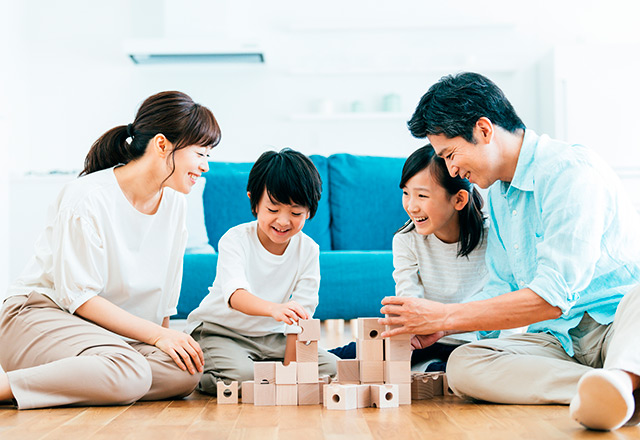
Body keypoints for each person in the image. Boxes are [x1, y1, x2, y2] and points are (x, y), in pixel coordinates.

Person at [380, 72, 640, 431]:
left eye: (450, 154)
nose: (452, 169)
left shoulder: (569, 171)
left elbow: (553, 296)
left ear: (484, 130)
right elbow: (502, 286)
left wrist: (444, 317)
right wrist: (438, 329)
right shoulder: (501, 198)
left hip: (616, 326)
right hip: (559, 341)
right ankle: (607, 388)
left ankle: (622, 379)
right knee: (463, 365)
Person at [0, 91, 221, 409]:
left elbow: (163, 302)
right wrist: (158, 339)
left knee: (184, 372)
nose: (205, 167)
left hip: (104, 336)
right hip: (38, 317)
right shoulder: (88, 197)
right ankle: (10, 386)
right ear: (162, 145)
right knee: (130, 371)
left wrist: (164, 340)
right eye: (201, 154)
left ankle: (83, 378)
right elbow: (80, 298)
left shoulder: (174, 205)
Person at [185, 148, 338, 394]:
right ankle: (204, 372)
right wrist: (274, 309)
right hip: (221, 332)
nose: (283, 221)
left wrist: (292, 372)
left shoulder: (309, 250)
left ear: (309, 211)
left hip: (271, 338)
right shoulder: (235, 239)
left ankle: (266, 375)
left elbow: (300, 317)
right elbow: (235, 295)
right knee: (242, 378)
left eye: (296, 212)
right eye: (273, 210)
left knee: (332, 368)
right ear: (254, 203)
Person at [330, 144, 491, 372]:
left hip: (472, 343)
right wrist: (405, 334)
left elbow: (502, 301)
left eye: (422, 196)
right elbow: (409, 299)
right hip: (422, 339)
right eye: (406, 193)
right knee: (348, 355)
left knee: (457, 370)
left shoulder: (492, 236)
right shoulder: (406, 239)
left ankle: (432, 371)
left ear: (459, 199)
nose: (411, 206)